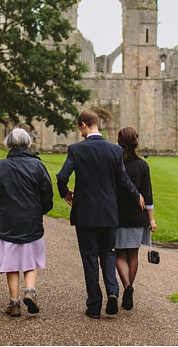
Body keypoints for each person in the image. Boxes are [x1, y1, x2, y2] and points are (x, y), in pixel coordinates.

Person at [56, 110, 144, 319]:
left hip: (85, 213)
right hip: (108, 213)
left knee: (89, 259)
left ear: (85, 125)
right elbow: (123, 180)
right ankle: (112, 292)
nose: (80, 132)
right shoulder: (114, 150)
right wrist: (136, 195)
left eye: (80, 128)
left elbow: (62, 176)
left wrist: (65, 193)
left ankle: (94, 305)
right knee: (108, 254)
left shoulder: (76, 149)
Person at [0, 128, 54, 317]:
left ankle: (14, 303)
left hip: (8, 220)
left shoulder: (0, 166)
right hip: (31, 219)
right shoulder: (37, 166)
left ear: (9, 143)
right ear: (28, 143)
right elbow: (47, 192)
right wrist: (41, 211)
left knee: (12, 264)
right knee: (31, 260)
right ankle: (30, 290)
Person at [113, 127, 156, 311]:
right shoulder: (142, 165)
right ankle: (129, 289)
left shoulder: (115, 164)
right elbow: (148, 195)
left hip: (117, 215)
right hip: (137, 216)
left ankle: (127, 287)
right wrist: (152, 220)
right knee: (133, 255)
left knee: (119, 255)